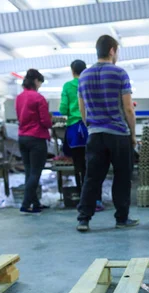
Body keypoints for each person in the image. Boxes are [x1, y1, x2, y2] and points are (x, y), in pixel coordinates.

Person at [76, 35, 138, 232]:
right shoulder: (120, 73)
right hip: (118, 134)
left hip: (95, 134)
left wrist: (91, 126)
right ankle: (121, 218)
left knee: (92, 178)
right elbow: (128, 108)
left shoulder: (84, 75)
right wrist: (133, 134)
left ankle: (84, 219)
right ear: (112, 50)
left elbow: (82, 108)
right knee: (121, 177)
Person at [60, 59, 104, 212]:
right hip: (92, 127)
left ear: (72, 71)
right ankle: (97, 200)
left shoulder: (67, 86)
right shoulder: (92, 83)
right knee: (95, 166)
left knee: (79, 167)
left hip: (74, 130)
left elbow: (63, 108)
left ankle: (83, 200)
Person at [15, 68, 52, 214]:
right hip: (37, 138)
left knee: (29, 172)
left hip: (22, 137)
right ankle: (25, 204)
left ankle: (35, 203)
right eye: (40, 83)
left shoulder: (19, 97)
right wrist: (51, 123)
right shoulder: (38, 98)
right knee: (36, 172)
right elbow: (45, 121)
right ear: (36, 81)